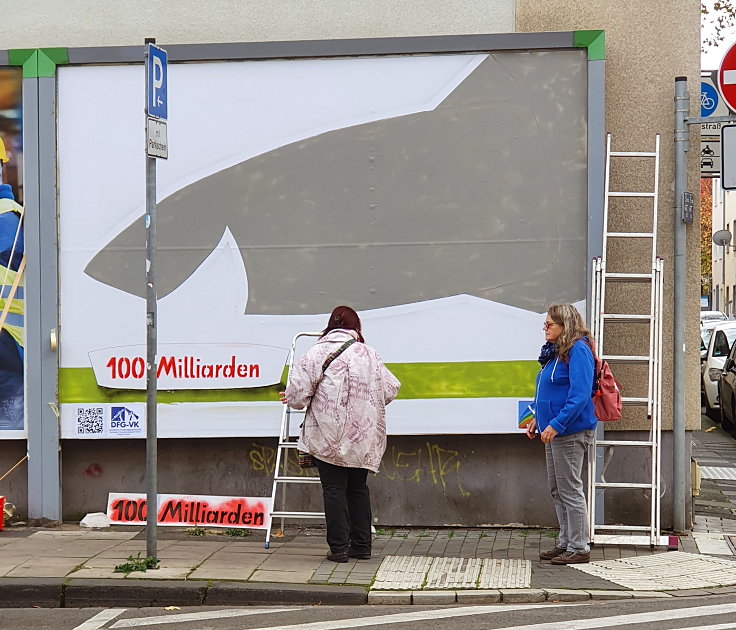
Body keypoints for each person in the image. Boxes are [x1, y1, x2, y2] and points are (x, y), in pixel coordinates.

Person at [280, 306, 400, 563]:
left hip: (328, 433)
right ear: (356, 328)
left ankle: (339, 549)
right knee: (358, 488)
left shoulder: (316, 352)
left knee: (334, 489)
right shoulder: (369, 353)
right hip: (363, 434)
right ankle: (362, 546)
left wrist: (290, 398)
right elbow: (391, 388)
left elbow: (299, 395)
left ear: (329, 326)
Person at [525, 303, 596, 565]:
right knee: (558, 488)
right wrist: (538, 419)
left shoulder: (577, 350)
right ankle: (567, 541)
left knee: (570, 488)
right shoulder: (556, 352)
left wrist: (556, 424)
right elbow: (549, 392)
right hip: (553, 429)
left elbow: (579, 395)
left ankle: (579, 546)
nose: (544, 328)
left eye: (550, 324)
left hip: (569, 431)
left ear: (565, 326)